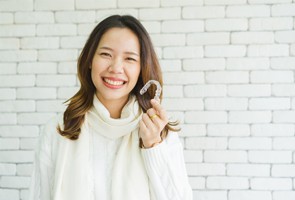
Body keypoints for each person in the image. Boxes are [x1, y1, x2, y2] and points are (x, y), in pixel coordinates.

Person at [28, 15, 193, 200]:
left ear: (141, 68)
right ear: (90, 60)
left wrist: (153, 146)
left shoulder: (160, 132)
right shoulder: (58, 130)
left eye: (129, 58)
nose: (116, 67)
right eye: (106, 54)